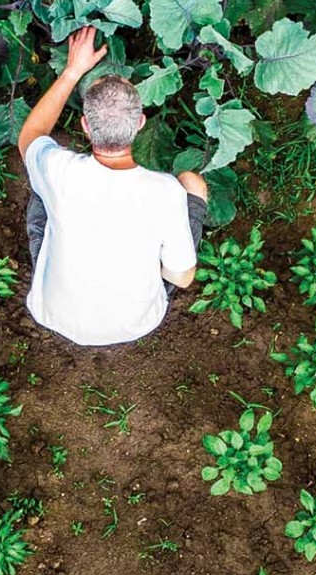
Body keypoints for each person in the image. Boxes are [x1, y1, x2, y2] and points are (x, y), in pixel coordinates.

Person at [15, 26, 209, 347]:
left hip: (53, 311)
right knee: (193, 183)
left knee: (40, 180)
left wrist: (73, 70)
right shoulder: (165, 194)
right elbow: (183, 278)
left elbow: (31, 135)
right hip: (135, 322)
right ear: (141, 123)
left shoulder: (58, 171)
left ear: (85, 126)